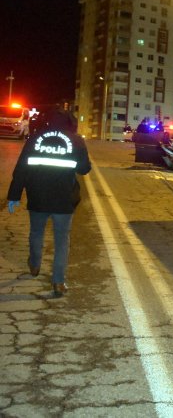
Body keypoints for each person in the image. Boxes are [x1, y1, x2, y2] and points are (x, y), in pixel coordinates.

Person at [6, 106, 91, 297]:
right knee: (62, 240)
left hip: (38, 196)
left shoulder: (35, 137)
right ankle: (58, 282)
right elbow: (84, 169)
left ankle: (35, 265)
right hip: (63, 198)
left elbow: (21, 169)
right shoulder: (76, 140)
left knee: (36, 232)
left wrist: (14, 195)